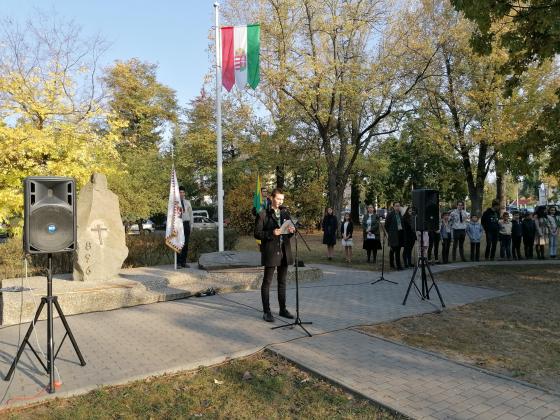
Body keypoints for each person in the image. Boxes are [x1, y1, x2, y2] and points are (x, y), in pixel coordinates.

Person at [254, 188, 296, 322]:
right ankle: (267, 311)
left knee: (282, 282)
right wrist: (272, 233)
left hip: (284, 250)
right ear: (272, 198)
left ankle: (282, 309)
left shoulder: (285, 213)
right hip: (271, 251)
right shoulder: (263, 214)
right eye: (278, 199)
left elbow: (288, 233)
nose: (280, 201)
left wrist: (291, 230)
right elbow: (257, 233)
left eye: (282, 199)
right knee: (267, 282)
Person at [177, 186, 194, 268]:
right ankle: (178, 263)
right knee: (179, 243)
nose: (182, 194)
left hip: (186, 224)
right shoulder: (176, 203)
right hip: (179, 225)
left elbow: (191, 214)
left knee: (186, 244)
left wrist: (192, 225)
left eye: (183, 192)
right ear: (178, 193)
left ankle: (184, 262)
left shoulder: (187, 202)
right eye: (180, 192)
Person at [385, 202, 404, 270]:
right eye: (396, 206)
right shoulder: (390, 214)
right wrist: (390, 233)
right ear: (393, 207)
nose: (398, 207)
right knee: (393, 250)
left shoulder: (400, 214)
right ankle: (392, 264)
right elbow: (386, 225)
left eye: (399, 206)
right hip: (393, 235)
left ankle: (398, 265)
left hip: (399, 234)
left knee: (398, 250)